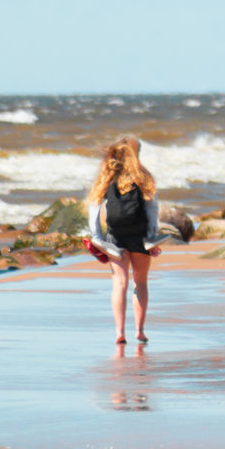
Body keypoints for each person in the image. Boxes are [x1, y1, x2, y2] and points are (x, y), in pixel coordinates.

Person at [86, 136, 162, 345]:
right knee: (141, 281)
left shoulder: (108, 176)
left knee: (119, 283)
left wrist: (97, 237)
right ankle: (139, 330)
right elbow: (152, 209)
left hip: (115, 236)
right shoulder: (143, 176)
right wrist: (152, 238)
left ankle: (120, 331)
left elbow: (94, 208)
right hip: (139, 235)